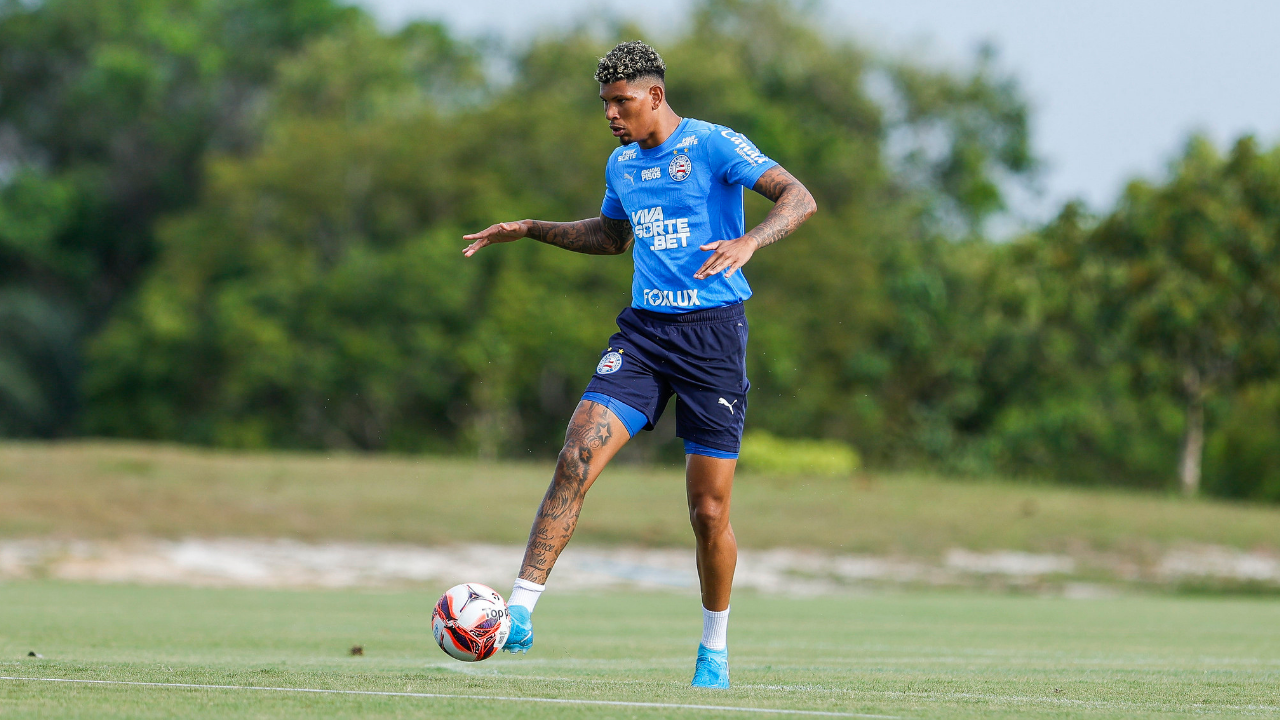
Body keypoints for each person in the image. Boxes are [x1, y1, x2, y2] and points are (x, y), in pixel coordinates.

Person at [461, 40, 815, 689]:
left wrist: (750, 240)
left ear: (655, 95)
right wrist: (532, 228)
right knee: (575, 455)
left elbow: (798, 197)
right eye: (604, 104)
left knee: (708, 512)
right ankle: (521, 610)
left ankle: (714, 648)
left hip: (713, 339)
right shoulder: (622, 164)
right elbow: (611, 236)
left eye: (621, 102)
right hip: (645, 336)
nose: (611, 114)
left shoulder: (712, 144)